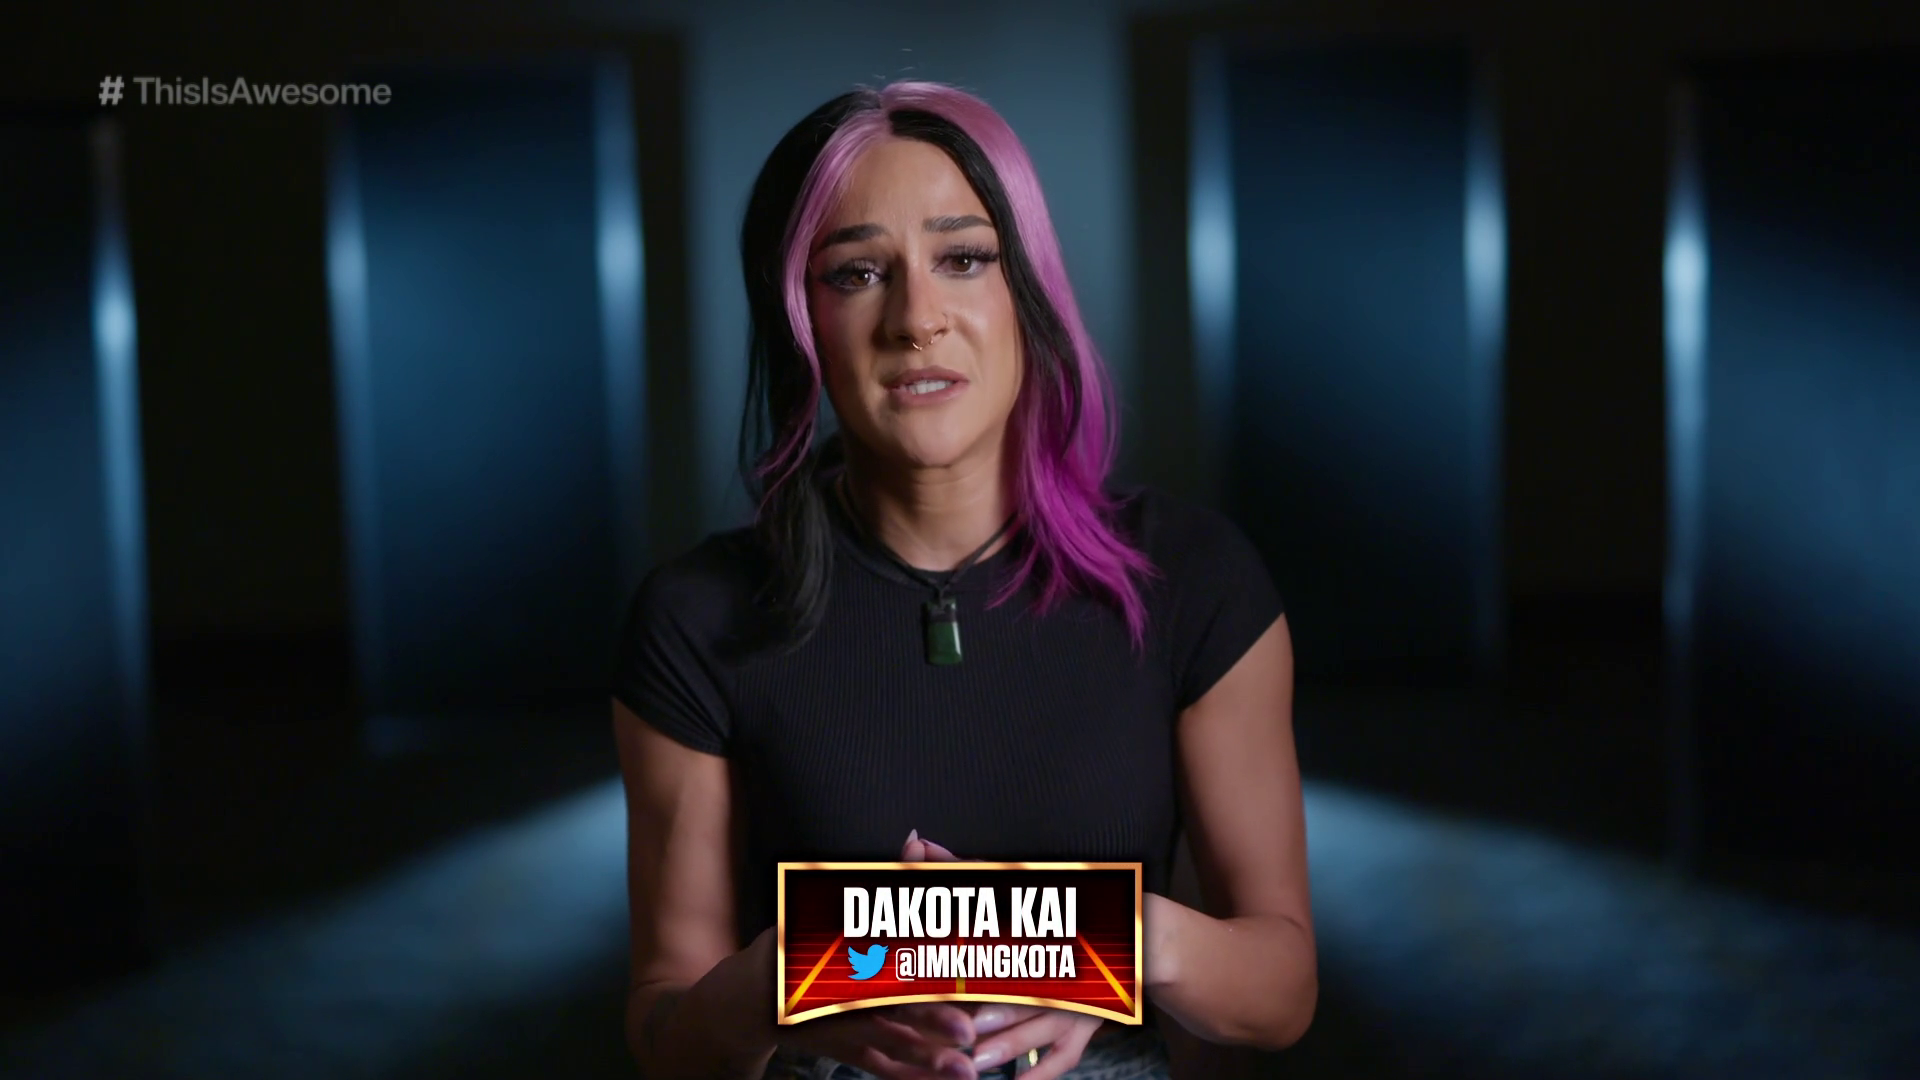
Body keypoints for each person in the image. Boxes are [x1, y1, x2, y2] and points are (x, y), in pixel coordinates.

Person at [613, 80, 1315, 1080]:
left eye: (964, 258)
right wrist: (794, 977)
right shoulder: (694, 617)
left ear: (1027, 289)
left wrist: (1100, 944)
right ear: (798, 317)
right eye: (857, 272)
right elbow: (665, 1034)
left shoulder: (1197, 579)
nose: (918, 319)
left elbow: (1283, 994)